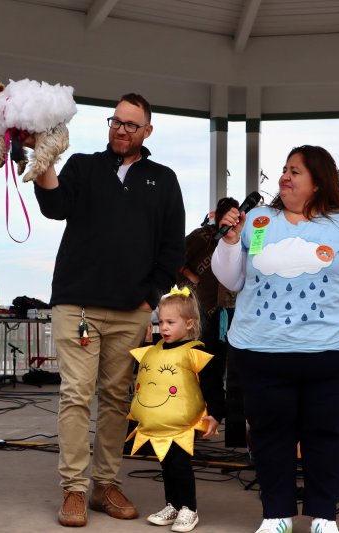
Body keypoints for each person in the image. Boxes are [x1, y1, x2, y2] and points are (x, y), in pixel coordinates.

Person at [211, 145, 339, 533]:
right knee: (268, 434)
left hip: (334, 351)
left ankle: (323, 515)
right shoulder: (257, 220)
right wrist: (229, 242)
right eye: (284, 169)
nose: (285, 177)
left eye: (295, 171)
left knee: (327, 434)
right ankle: (276, 513)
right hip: (262, 351)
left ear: (318, 181)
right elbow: (232, 280)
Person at [31, 93, 186, 527]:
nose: (120, 129)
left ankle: (105, 485)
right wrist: (42, 156)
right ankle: (74, 491)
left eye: (131, 125)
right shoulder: (82, 165)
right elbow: (54, 206)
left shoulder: (164, 178)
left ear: (147, 132)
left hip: (131, 310)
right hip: (76, 303)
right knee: (76, 396)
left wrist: (149, 298)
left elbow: (173, 247)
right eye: (115, 121)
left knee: (117, 399)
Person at [127, 287, 223, 532]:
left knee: (180, 466)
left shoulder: (195, 352)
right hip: (159, 424)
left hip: (181, 425)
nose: (165, 327)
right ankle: (172, 504)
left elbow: (212, 386)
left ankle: (189, 509)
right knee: (167, 466)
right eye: (161, 322)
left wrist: (215, 414)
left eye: (171, 322)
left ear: (189, 324)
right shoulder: (155, 349)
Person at [178, 197, 239, 441]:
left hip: (230, 309)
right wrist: (190, 276)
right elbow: (174, 257)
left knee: (228, 368)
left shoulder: (239, 237)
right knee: (203, 366)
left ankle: (220, 418)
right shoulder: (201, 237)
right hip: (201, 310)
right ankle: (195, 421)